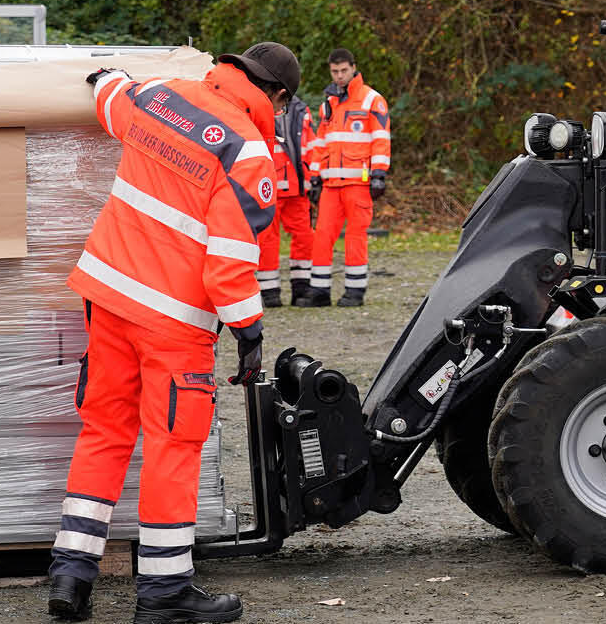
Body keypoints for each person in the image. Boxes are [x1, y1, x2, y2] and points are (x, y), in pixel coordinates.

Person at [45, 42, 301, 624]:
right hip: (173, 321)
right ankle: (163, 593)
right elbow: (230, 260)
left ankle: (71, 573)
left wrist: (106, 73)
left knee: (105, 429)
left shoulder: (162, 96)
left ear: (233, 71)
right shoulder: (249, 153)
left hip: (107, 296)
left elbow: (112, 100)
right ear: (278, 97)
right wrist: (249, 329)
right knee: (173, 445)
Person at [297, 48, 389, 307]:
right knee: (322, 235)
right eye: (335, 72)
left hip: (358, 183)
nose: (339, 76)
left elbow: (380, 139)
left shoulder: (372, 100)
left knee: (355, 236)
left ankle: (355, 291)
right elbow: (321, 143)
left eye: (343, 71)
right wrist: (314, 176)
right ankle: (320, 291)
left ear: (353, 67)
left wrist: (379, 173)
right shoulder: (329, 103)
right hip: (331, 184)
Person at [255, 91, 319, 308]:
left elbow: (311, 148)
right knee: (267, 240)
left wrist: (313, 179)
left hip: (297, 188)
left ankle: (301, 287)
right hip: (268, 188)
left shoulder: (301, 111)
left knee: (304, 237)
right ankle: (269, 291)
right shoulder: (259, 108)